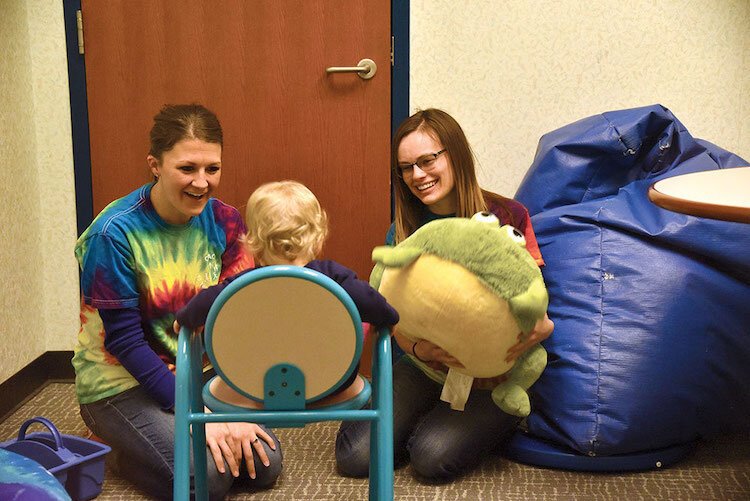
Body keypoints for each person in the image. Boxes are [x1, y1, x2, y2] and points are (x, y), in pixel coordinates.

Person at [72, 104, 283, 500]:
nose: (202, 182)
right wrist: (200, 416)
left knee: (264, 465)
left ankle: (153, 438)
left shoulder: (226, 222)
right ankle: (111, 444)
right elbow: (125, 344)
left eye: (212, 169)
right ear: (155, 165)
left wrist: (231, 406)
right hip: (121, 384)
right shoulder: (112, 233)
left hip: (196, 372)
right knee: (208, 480)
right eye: (187, 169)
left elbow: (237, 321)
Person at [335, 108, 555, 481]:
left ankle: (469, 425)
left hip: (492, 376)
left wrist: (538, 330)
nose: (417, 176)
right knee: (358, 458)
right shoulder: (403, 232)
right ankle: (424, 418)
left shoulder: (507, 216)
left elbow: (534, 299)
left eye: (427, 160)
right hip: (424, 365)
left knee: (431, 459)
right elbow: (389, 314)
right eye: (406, 168)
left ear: (454, 155)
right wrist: (419, 349)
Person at [174, 180, 400, 407]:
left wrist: (184, 319)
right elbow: (372, 302)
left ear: (253, 240)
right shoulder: (334, 278)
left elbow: (202, 304)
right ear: (317, 234)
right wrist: (389, 319)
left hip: (253, 385)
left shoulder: (241, 285)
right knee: (354, 325)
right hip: (332, 382)